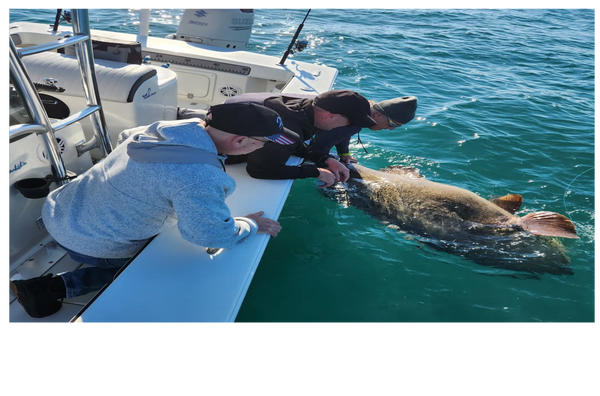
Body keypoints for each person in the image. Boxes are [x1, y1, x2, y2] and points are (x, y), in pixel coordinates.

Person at [10, 102, 293, 318]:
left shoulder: (161, 129)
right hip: (87, 244)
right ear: (241, 141)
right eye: (264, 142)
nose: (263, 148)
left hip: (58, 211)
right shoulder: (200, 177)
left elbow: (124, 137)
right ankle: (53, 288)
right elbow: (211, 235)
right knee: (169, 265)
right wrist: (249, 225)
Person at [193, 90, 378, 187]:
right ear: (330, 116)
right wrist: (316, 172)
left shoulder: (299, 108)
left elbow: (293, 144)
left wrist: (326, 159)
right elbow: (260, 171)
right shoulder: (286, 130)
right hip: (200, 157)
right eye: (348, 122)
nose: (347, 128)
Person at [313, 96, 418, 164]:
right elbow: (318, 148)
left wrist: (344, 153)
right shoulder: (354, 122)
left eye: (396, 126)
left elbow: (342, 133)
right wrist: (326, 165)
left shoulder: (359, 110)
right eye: (392, 123)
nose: (390, 129)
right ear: (378, 114)